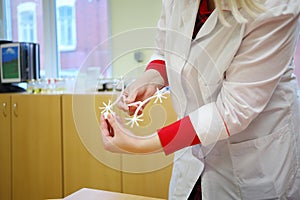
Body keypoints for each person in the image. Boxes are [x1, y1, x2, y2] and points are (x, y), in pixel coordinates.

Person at [100, 0, 300, 199]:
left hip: (251, 162)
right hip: (191, 155)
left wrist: (139, 144)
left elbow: (232, 110)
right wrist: (149, 79)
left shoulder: (276, 5)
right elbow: (165, 51)